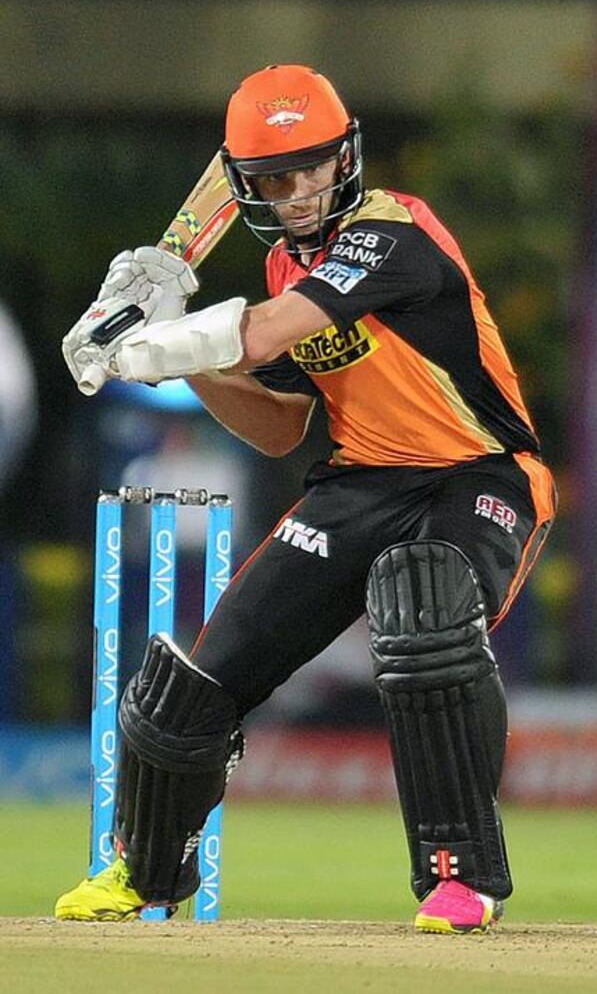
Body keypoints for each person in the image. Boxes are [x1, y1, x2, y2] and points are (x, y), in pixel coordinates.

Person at [56, 65, 556, 933]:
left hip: (478, 472)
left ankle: (461, 877)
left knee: (425, 601)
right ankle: (143, 873)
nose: (293, 196)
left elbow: (273, 330)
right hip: (359, 481)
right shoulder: (286, 263)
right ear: (246, 187)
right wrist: (189, 355)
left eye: (309, 171)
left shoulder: (393, 231)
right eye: (272, 181)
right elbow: (283, 426)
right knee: (198, 683)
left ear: (344, 159)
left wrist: (153, 345)